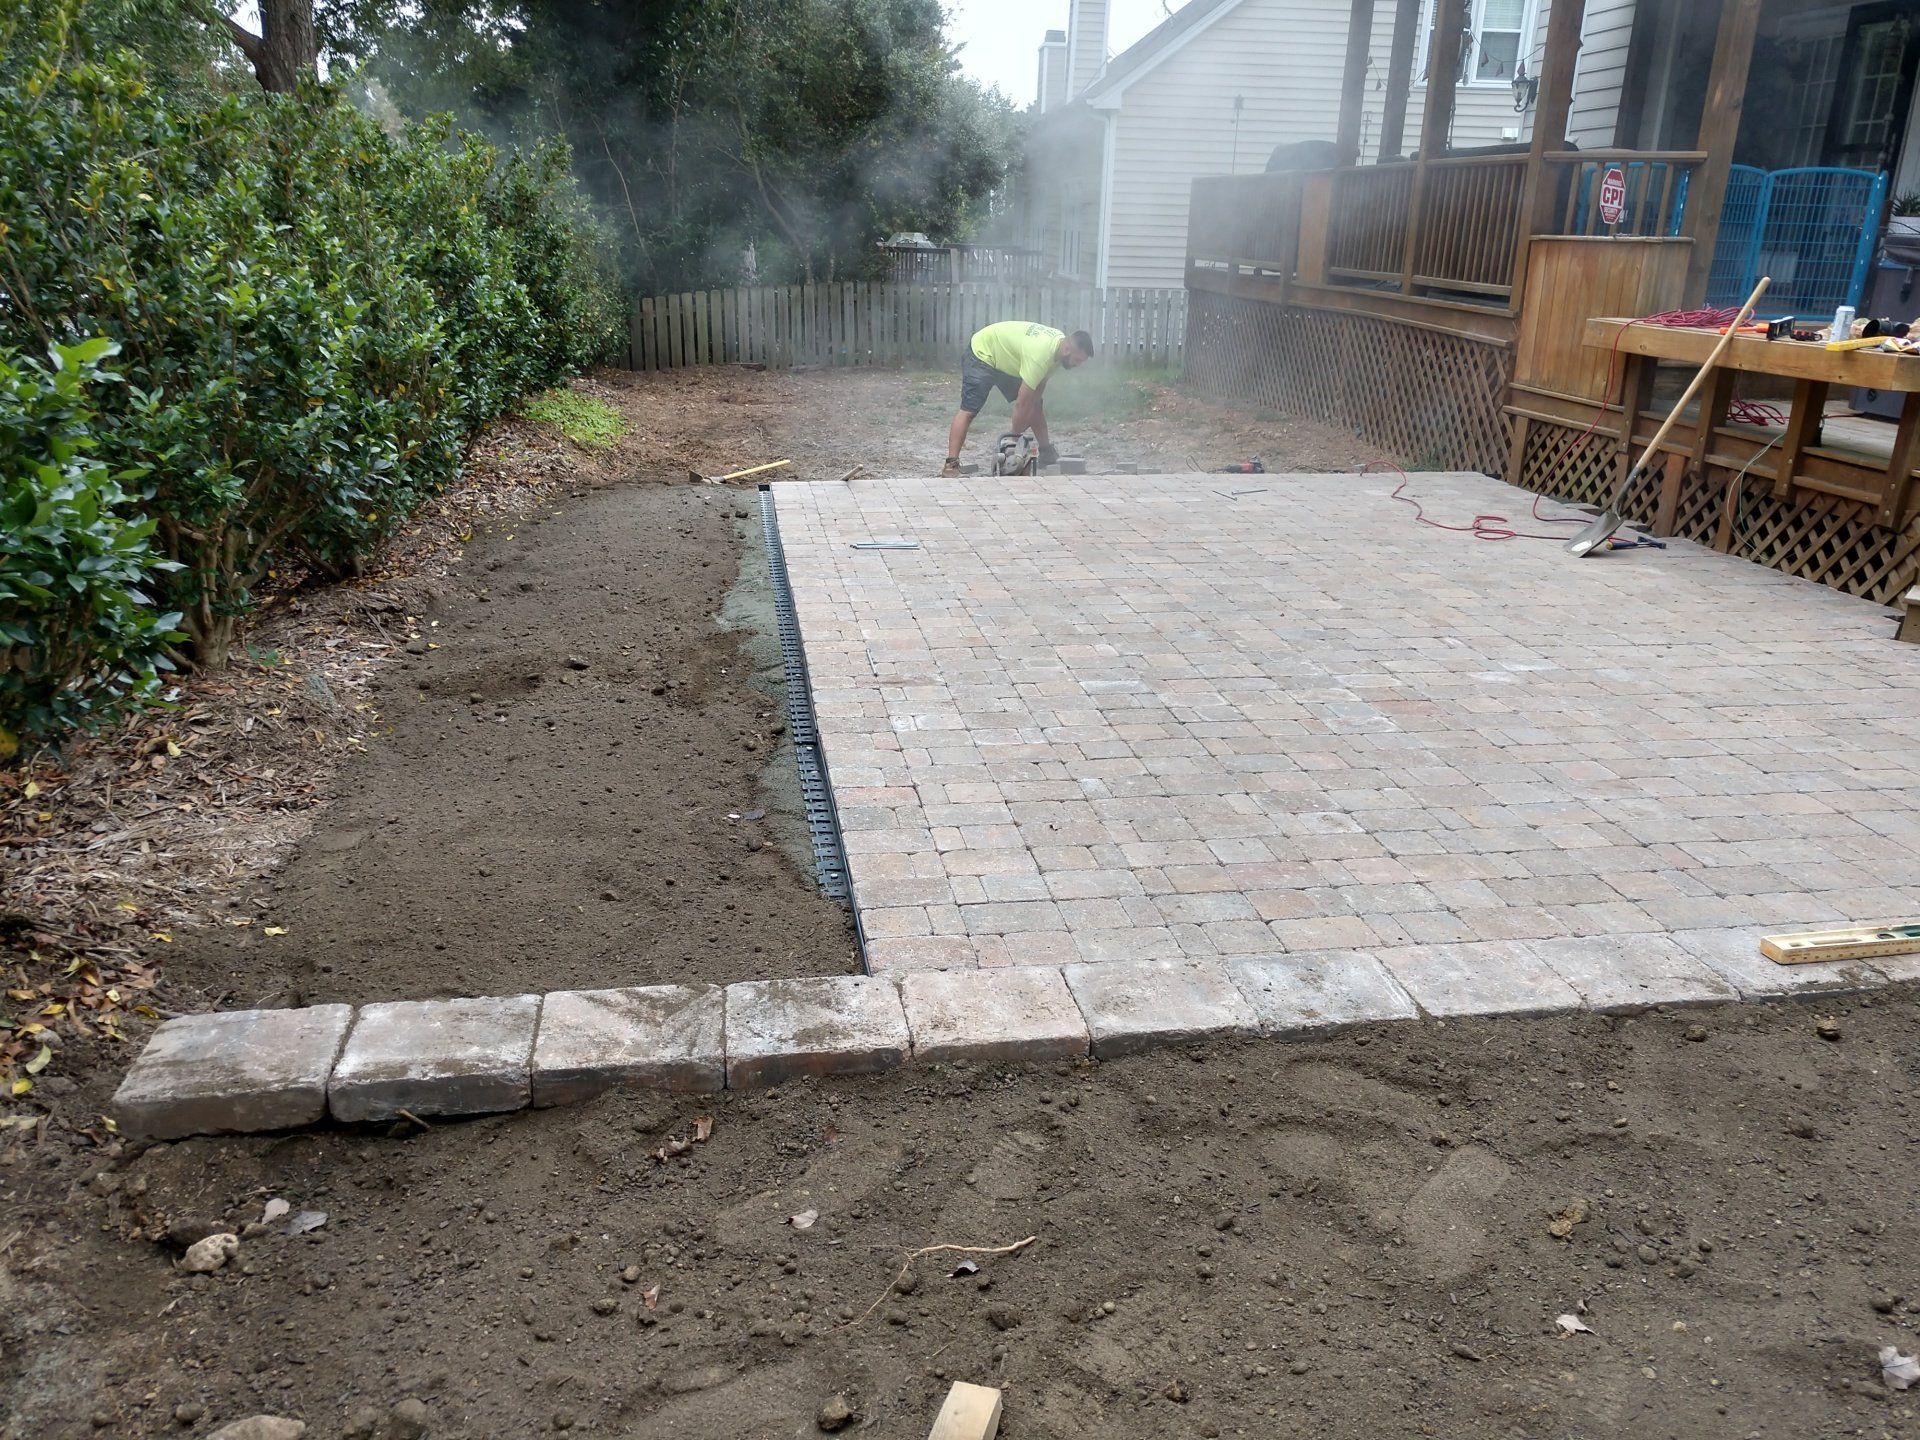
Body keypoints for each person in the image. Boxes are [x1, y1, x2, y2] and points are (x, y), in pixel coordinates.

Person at [943, 322, 1094, 476]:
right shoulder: (1040, 354)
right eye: (1077, 360)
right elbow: (1022, 403)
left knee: (1035, 404)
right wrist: (1013, 442)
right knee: (969, 410)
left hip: (1005, 358)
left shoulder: (1058, 351)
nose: (1078, 365)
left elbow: (1035, 395)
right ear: (1068, 349)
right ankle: (951, 465)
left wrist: (1032, 408)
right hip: (983, 352)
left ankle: (1046, 453)